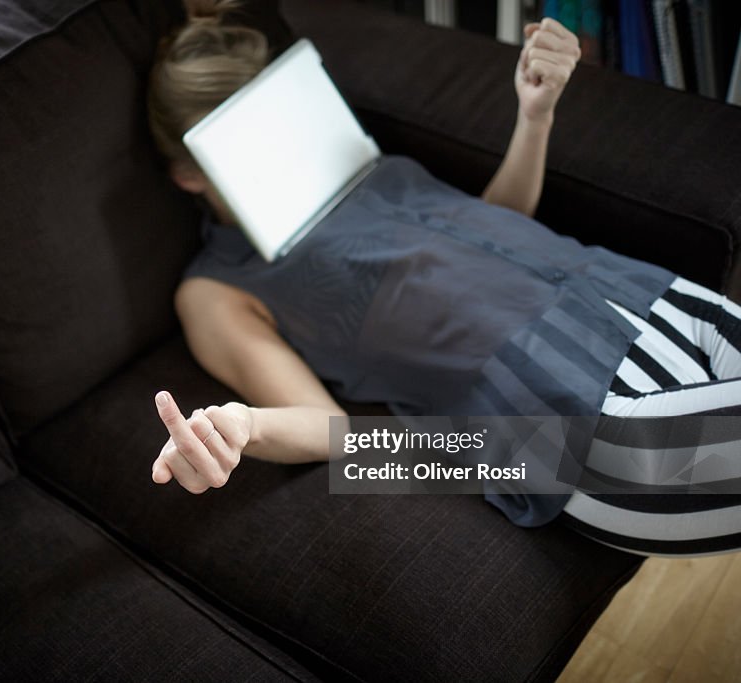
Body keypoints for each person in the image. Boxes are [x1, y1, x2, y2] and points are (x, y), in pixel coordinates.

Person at [146, 0, 741, 556]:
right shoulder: (219, 288)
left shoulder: (358, 162)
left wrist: (535, 119)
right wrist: (244, 427)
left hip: (641, 295)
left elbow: (491, 229)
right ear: (187, 175)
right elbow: (336, 436)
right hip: (560, 419)